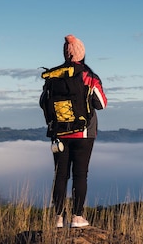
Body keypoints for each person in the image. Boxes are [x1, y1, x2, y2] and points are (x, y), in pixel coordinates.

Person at [41, 34, 108, 228]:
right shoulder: (89, 76)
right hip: (84, 133)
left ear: (65, 53)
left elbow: (43, 102)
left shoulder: (53, 76)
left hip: (60, 133)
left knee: (60, 174)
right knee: (80, 174)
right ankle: (77, 217)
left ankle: (58, 217)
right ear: (82, 53)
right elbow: (101, 104)